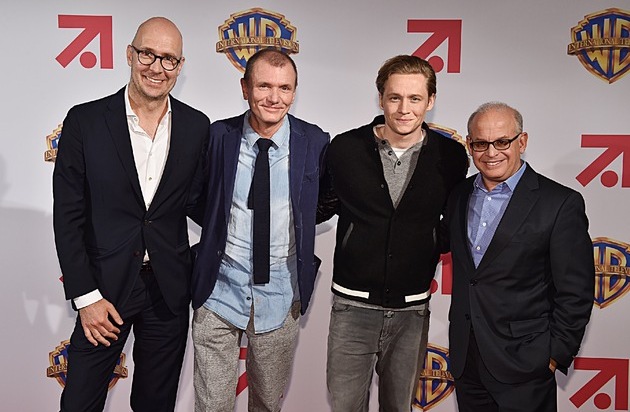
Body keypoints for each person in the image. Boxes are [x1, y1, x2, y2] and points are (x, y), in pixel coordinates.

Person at [53, 17, 210, 412]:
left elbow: (198, 202)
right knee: (80, 403)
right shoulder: (85, 121)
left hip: (168, 290)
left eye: (169, 59)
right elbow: (68, 217)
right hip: (104, 291)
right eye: (147, 54)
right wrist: (86, 297)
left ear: (180, 65)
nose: (157, 68)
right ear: (129, 54)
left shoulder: (196, 126)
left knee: (156, 404)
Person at [317, 55, 469, 411]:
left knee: (399, 407)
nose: (404, 109)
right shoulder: (345, 148)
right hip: (352, 306)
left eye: (415, 98)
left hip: (411, 311)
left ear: (430, 101)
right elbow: (321, 205)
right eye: (395, 97)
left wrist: (427, 244)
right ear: (381, 99)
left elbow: (453, 220)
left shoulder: (450, 156)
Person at [190, 48, 329, 411]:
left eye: (285, 88)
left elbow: (324, 202)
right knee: (211, 406)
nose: (274, 97)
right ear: (245, 88)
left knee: (267, 404)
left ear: (294, 92)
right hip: (218, 292)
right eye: (264, 86)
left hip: (281, 296)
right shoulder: (218, 136)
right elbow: (197, 199)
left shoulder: (315, 141)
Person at [446, 102, 595, 412]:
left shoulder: (559, 203)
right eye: (480, 143)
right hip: (467, 361)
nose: (491, 153)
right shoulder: (458, 194)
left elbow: (576, 291)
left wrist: (554, 355)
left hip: (526, 363)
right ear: (469, 145)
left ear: (522, 141)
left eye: (502, 142)